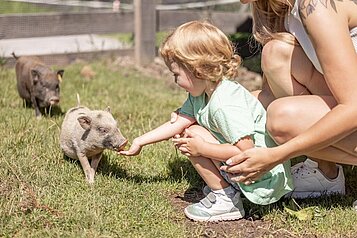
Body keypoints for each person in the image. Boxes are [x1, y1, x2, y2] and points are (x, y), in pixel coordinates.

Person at [120, 20, 293, 222]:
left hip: (263, 179)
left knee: (191, 138)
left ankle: (226, 200)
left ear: (197, 70)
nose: (175, 81)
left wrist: (201, 149)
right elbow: (178, 123)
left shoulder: (224, 105)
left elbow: (246, 152)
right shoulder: (202, 93)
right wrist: (140, 141)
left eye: (176, 74)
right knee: (189, 130)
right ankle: (227, 186)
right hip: (249, 169)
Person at [220, 0, 357, 200]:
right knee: (276, 53)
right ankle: (323, 172)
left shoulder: (316, 7)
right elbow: (266, 97)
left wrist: (277, 156)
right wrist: (206, 113)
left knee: (282, 118)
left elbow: (354, 105)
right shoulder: (285, 12)